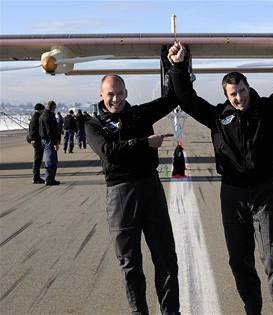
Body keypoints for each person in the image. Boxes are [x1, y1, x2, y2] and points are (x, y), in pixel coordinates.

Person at [167, 29, 273, 315]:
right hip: (232, 194)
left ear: (248, 87)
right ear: (226, 95)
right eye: (233, 94)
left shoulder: (268, 109)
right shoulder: (218, 118)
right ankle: (252, 309)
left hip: (266, 190)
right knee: (240, 260)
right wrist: (178, 66)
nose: (239, 97)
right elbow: (186, 97)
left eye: (242, 91)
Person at [85, 74, 180, 315]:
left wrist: (175, 66)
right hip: (120, 195)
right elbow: (108, 151)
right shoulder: (93, 124)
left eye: (119, 93)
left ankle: (171, 311)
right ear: (101, 95)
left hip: (151, 189)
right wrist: (144, 143)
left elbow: (171, 99)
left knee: (166, 259)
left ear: (126, 93)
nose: (115, 98)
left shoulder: (139, 114)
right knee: (130, 264)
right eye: (110, 94)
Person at [39, 100, 61, 186]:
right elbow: (50, 131)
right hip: (49, 140)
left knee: (52, 160)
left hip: (45, 140)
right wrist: (55, 142)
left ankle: (51, 178)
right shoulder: (48, 116)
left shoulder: (43, 115)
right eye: (54, 108)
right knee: (51, 160)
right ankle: (49, 179)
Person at [28, 103, 45, 184]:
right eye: (43, 110)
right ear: (40, 109)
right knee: (37, 159)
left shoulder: (35, 116)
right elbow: (32, 130)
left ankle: (36, 176)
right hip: (37, 141)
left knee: (38, 159)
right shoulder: (36, 117)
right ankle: (36, 177)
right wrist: (33, 139)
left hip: (36, 140)